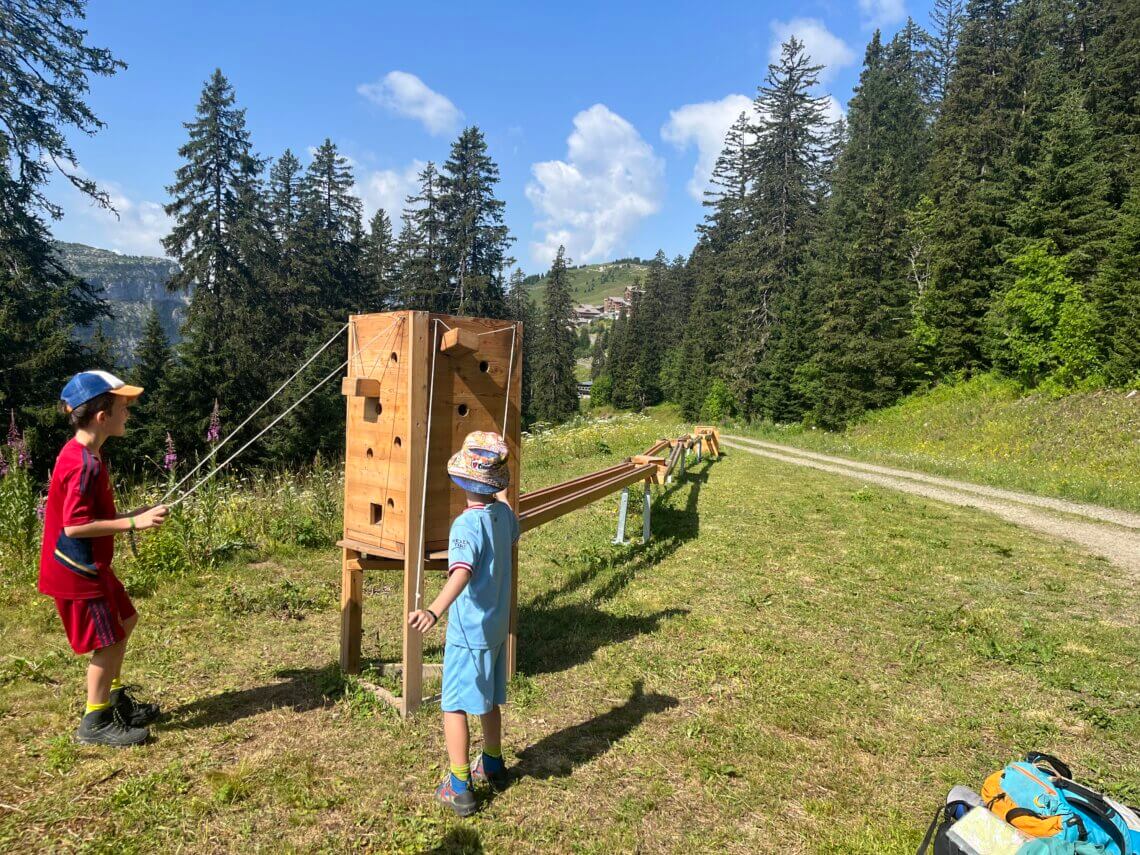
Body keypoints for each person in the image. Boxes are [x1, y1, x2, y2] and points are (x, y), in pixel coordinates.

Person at [38, 370, 167, 746]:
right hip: (78, 571)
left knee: (126, 619)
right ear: (101, 416)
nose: (128, 414)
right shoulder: (82, 463)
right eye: (123, 408)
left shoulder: (86, 452)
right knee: (107, 640)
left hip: (92, 567)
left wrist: (134, 513)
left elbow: (88, 514)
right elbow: (75, 527)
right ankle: (94, 721)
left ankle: (112, 699)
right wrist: (132, 522)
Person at [408, 431, 519, 816]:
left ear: (459, 481)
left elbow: (461, 572)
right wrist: (502, 492)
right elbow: (507, 517)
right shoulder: (503, 515)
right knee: (487, 699)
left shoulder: (464, 526)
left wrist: (434, 611)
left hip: (468, 633)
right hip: (494, 630)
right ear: (494, 485)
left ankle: (460, 787)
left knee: (453, 705)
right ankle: (492, 763)